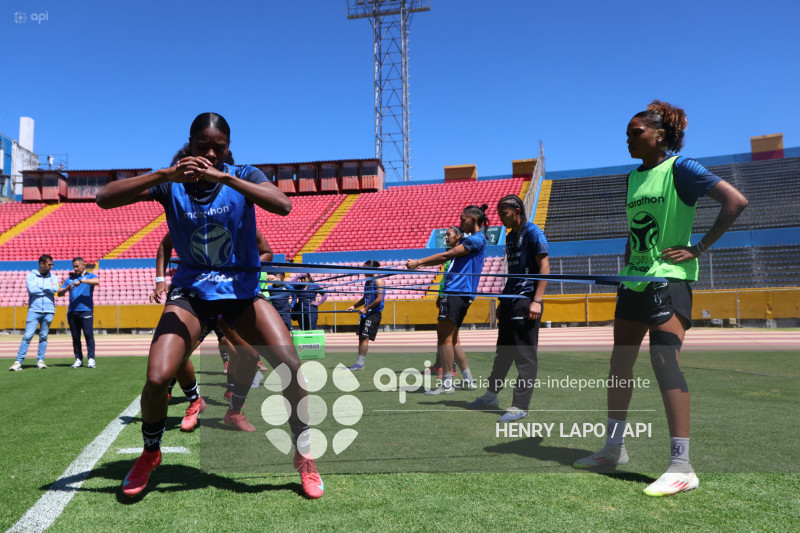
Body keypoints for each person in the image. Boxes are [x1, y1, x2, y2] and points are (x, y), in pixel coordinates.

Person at [97, 112, 323, 499]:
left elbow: (283, 205)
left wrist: (225, 178)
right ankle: (150, 453)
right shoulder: (171, 184)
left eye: (219, 147)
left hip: (240, 294)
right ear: (190, 145)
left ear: (228, 148)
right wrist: (164, 174)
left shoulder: (244, 175)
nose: (211, 154)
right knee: (157, 377)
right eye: (203, 146)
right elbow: (104, 199)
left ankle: (304, 455)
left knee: (291, 366)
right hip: (191, 295)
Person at [573, 101, 748, 497]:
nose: (628, 139)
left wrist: (697, 248)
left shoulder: (681, 168)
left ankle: (682, 466)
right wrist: (626, 263)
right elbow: (635, 231)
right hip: (633, 281)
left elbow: (736, 201)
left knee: (665, 362)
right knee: (620, 364)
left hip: (668, 280)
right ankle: (613, 449)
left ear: (660, 134)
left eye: (636, 132)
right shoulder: (633, 177)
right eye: (627, 134)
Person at [467, 195, 549, 422]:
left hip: (526, 300)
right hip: (509, 300)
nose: (501, 219)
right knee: (503, 353)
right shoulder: (511, 236)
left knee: (525, 356)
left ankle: (520, 406)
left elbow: (544, 265)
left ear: (517, 211)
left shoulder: (534, 232)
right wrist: (503, 300)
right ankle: (490, 396)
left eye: (504, 214)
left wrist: (537, 300)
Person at [407, 204, 489, 394]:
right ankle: (468, 380)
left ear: (473, 220)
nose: (461, 223)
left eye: (463, 219)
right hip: (459, 293)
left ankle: (446, 384)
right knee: (453, 340)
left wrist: (418, 262)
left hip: (457, 293)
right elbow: (449, 253)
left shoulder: (476, 239)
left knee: (444, 338)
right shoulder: (474, 239)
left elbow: (447, 255)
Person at [10, 254, 59, 371]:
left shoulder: (53, 277)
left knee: (44, 336)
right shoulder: (31, 276)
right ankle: (18, 361)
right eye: (49, 264)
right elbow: (32, 290)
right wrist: (48, 289)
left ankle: (40, 360)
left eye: (52, 264)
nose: (51, 267)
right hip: (34, 310)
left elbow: (56, 289)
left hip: (49, 310)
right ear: (41, 264)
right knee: (27, 336)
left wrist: (41, 288)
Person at [426, 227, 462, 379]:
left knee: (451, 336)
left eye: (449, 234)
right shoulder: (450, 256)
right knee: (442, 333)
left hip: (453, 298)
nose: (445, 237)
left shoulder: (459, 255)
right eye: (445, 235)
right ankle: (439, 363)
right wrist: (440, 296)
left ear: (458, 236)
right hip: (445, 297)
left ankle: (451, 368)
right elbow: (445, 280)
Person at [58, 257, 100, 369]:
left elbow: (97, 281)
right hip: (72, 311)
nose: (75, 269)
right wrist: (67, 288)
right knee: (75, 337)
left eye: (77, 266)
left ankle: (91, 359)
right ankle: (78, 359)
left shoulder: (90, 276)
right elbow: (59, 293)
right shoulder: (70, 279)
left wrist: (81, 281)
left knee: (88, 335)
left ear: (83, 265)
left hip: (86, 310)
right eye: (74, 267)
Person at [346, 260, 386, 371]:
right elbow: (365, 298)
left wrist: (366, 308)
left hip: (373, 314)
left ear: (371, 268)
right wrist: (354, 306)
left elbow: (379, 299)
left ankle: (360, 364)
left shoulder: (378, 281)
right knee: (361, 337)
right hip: (366, 313)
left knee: (364, 337)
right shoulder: (368, 282)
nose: (363, 270)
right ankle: (360, 362)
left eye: (365, 268)